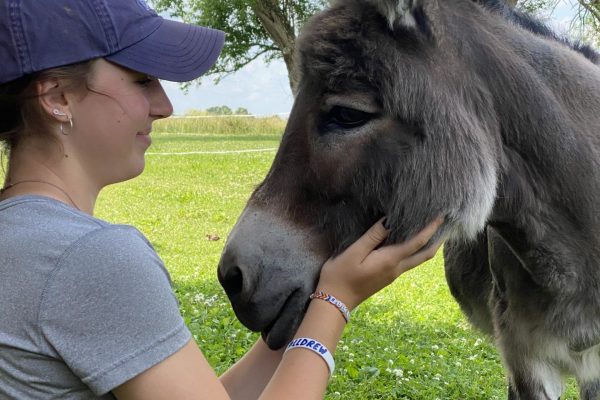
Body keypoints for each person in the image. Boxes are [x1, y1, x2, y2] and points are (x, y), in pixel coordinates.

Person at [0, 1, 443, 399]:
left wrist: (310, 305)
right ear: (57, 98)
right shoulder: (87, 258)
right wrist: (336, 303)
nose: (164, 105)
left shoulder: (24, 239)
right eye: (142, 80)